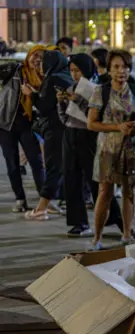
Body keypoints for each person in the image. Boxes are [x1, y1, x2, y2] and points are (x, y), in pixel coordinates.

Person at [88, 50, 135, 250]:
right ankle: (97, 238)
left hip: (132, 148)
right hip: (108, 149)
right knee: (105, 192)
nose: (121, 71)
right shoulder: (101, 91)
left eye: (125, 67)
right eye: (116, 67)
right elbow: (92, 124)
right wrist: (117, 127)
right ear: (109, 69)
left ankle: (127, 234)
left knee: (130, 192)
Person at [57, 53, 123, 237]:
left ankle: (116, 218)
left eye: (77, 70)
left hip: (89, 136)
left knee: (97, 180)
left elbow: (96, 117)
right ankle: (78, 222)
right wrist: (61, 103)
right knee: (71, 180)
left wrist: (78, 100)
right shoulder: (71, 87)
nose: (74, 75)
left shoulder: (97, 89)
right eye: (71, 71)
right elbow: (65, 119)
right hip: (70, 135)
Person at [24, 50, 74, 220]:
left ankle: (41, 209)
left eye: (44, 61)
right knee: (62, 168)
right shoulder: (66, 76)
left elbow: (45, 106)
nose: (41, 64)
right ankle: (52, 204)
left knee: (53, 168)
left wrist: (31, 94)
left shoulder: (53, 78)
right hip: (66, 128)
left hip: (55, 129)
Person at [0, 45, 46, 213]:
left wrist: (33, 93)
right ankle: (20, 199)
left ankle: (44, 199)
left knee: (36, 161)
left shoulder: (45, 78)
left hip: (29, 125)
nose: (38, 59)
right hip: (6, 124)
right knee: (12, 164)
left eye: (42, 57)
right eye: (35, 55)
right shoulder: (16, 69)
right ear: (29, 55)